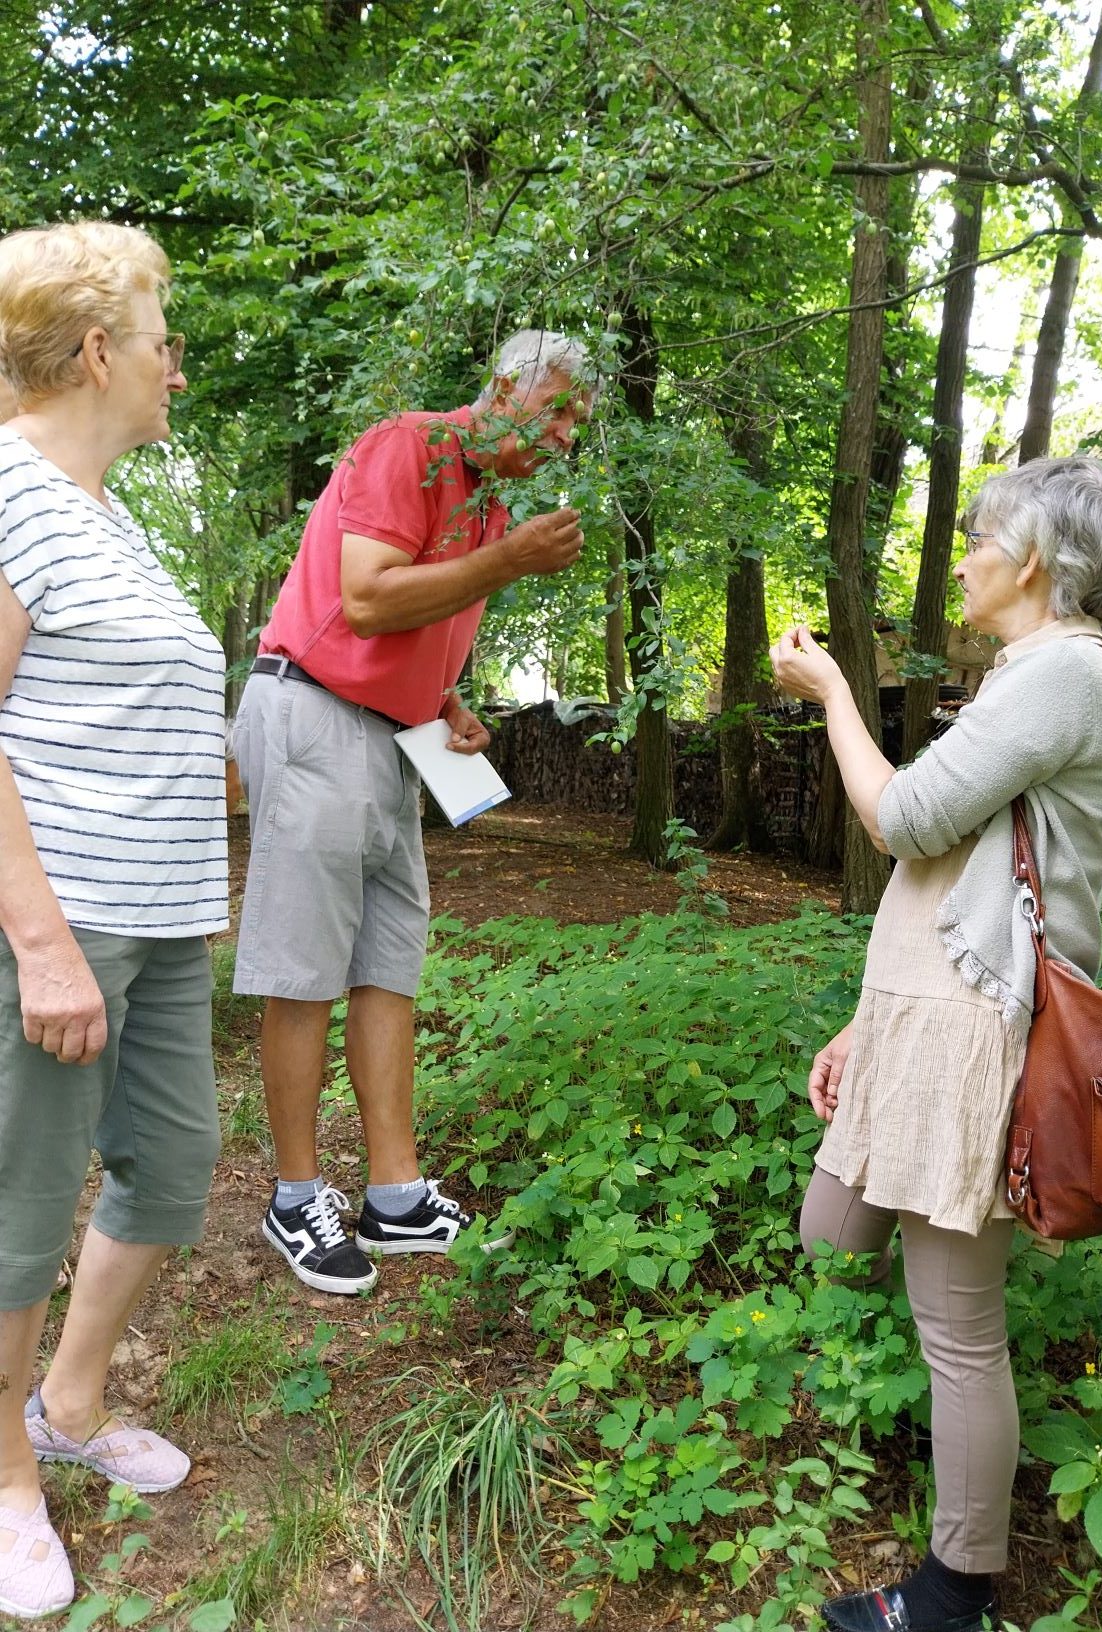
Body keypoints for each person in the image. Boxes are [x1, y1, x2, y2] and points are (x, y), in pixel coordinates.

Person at [770, 456, 1102, 1632]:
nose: (968, 554)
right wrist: (863, 1020)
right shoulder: (1027, 676)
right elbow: (953, 880)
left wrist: (832, 691)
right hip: (919, 1013)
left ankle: (954, 1588)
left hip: (975, 1028)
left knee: (960, 1325)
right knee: (831, 1228)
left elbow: (906, 822)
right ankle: (938, 1422)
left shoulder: (1067, 678)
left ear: (1031, 562)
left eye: (982, 537)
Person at [233, 328, 596, 1295]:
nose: (565, 434)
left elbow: (414, 625)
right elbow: (364, 600)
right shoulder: (412, 446)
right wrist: (511, 561)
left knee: (389, 959)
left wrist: (445, 699)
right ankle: (294, 1195)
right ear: (500, 388)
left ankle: (394, 1198)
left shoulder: (491, 505)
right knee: (307, 965)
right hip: (313, 712)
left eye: (577, 422)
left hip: (393, 737)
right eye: (555, 409)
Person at [0, 221, 227, 1619]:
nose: (175, 370)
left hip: (157, 925)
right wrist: (39, 945)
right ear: (96, 352)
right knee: (18, 1214)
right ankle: (3, 1486)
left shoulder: (105, 512)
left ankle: (69, 1408)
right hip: (56, 932)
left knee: (176, 1167)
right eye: (161, 340)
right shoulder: (8, 495)